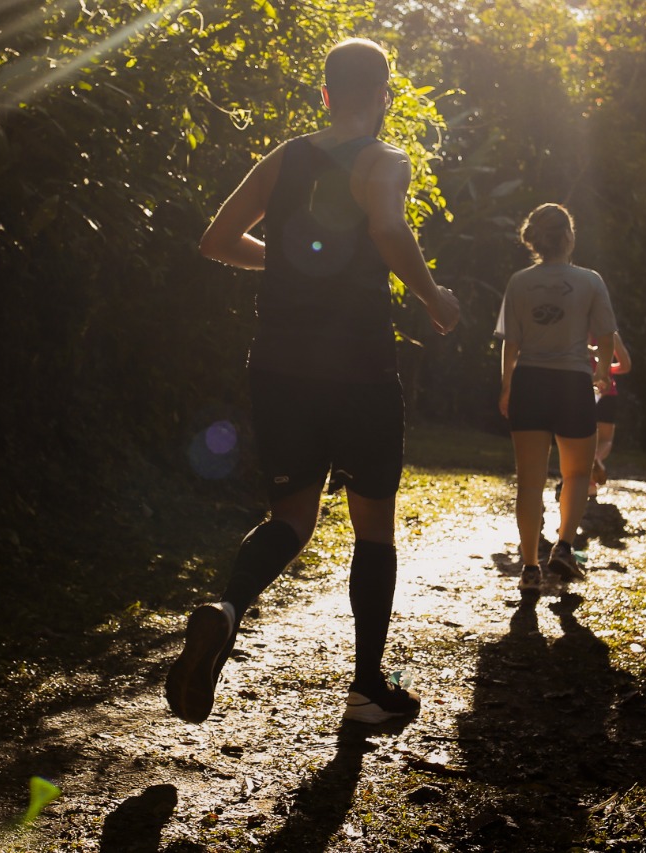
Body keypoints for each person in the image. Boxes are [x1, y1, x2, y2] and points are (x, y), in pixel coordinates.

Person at [167, 38, 461, 726]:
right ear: (384, 98)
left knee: (291, 518)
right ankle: (365, 689)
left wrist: (293, 265)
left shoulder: (284, 158)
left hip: (277, 365)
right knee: (373, 528)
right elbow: (388, 228)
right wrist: (433, 299)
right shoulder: (386, 159)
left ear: (324, 96)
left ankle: (227, 609)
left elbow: (216, 239)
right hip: (358, 368)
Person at [496, 203, 616, 596]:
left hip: (530, 381)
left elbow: (511, 343)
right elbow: (605, 336)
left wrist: (508, 386)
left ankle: (529, 569)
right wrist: (599, 372)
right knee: (577, 474)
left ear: (536, 239)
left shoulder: (519, 281)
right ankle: (564, 545)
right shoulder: (590, 280)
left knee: (529, 483)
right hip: (572, 385)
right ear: (568, 236)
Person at [588, 332, 631, 500]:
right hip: (607, 390)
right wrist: (606, 368)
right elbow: (626, 365)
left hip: (581, 386)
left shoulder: (576, 325)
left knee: (581, 438)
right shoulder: (610, 333)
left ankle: (584, 479)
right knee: (605, 439)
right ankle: (596, 459)